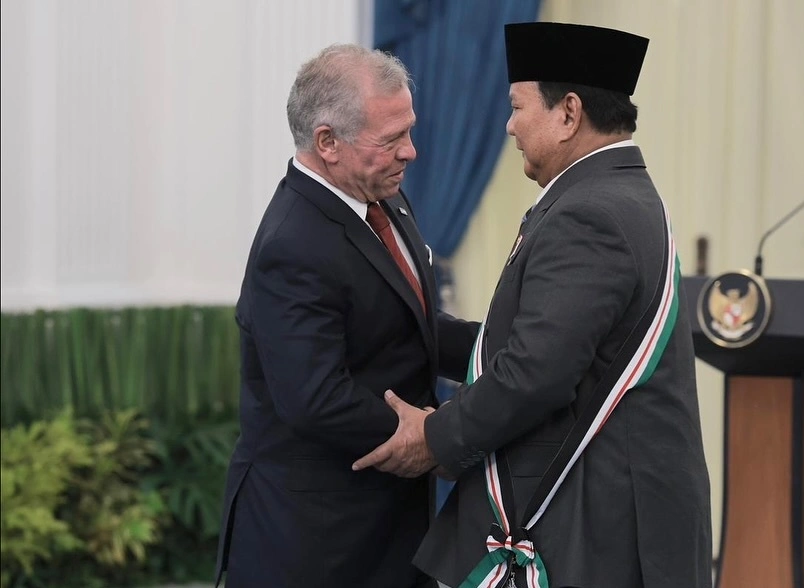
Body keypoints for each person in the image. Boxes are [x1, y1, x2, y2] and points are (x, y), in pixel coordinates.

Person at [353, 22, 713, 588]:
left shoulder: (590, 213)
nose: (509, 126)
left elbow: (536, 373)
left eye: (518, 107)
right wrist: (416, 330)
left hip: (602, 526)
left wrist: (433, 438)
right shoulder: (615, 193)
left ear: (568, 113)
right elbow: (540, 345)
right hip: (610, 515)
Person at [214, 44, 477, 588]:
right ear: (327, 142)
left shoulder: (383, 197)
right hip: (317, 544)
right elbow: (315, 397)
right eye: (392, 140)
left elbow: (414, 329)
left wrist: (513, 350)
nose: (412, 152)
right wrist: (435, 438)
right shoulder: (293, 243)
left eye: (409, 130)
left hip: (393, 529)